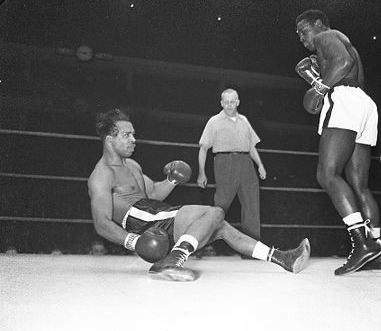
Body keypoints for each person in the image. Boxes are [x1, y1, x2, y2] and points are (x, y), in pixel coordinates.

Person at [87, 108, 310, 282]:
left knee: (221, 227)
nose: (133, 139)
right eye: (127, 135)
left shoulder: (132, 165)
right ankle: (174, 259)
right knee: (215, 213)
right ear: (109, 139)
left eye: (133, 134)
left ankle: (282, 258)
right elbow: (101, 223)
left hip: (156, 214)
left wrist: (172, 180)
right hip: (143, 223)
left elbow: (152, 193)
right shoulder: (102, 174)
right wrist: (135, 242)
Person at [295, 9, 381, 275]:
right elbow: (346, 64)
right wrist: (318, 75)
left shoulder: (326, 35)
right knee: (360, 185)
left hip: (345, 99)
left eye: (303, 30)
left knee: (327, 174)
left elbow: (342, 63)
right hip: (364, 103)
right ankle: (377, 250)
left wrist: (320, 88)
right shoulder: (339, 41)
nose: (301, 37)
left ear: (318, 24)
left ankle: (362, 245)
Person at [197, 88, 266, 243]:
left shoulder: (244, 121)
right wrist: (202, 173)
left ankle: (251, 248)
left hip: (246, 163)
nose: (229, 105)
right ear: (221, 103)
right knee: (221, 205)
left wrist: (260, 165)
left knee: (251, 205)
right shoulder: (214, 121)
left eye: (232, 102)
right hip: (224, 162)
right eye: (226, 102)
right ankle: (204, 243)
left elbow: (251, 146)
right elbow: (203, 148)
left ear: (238, 102)